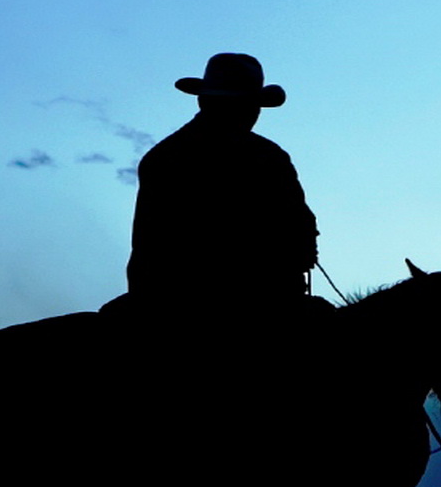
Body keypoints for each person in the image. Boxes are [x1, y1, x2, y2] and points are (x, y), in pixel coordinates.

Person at [119, 53, 319, 310]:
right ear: (206, 102)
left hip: (172, 297)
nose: (252, 113)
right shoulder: (268, 157)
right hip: (236, 298)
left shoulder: (164, 156)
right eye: (247, 104)